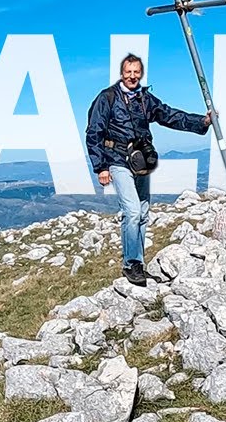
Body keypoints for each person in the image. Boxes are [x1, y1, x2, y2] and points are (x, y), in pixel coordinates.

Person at [86, 53, 212, 286]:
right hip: (117, 159)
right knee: (132, 211)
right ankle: (130, 263)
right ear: (121, 73)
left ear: (140, 73)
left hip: (141, 160)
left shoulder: (145, 99)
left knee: (143, 213)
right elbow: (94, 132)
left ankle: (139, 265)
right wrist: (100, 166)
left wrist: (201, 122)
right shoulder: (107, 98)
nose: (132, 76)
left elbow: (170, 115)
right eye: (128, 72)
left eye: (136, 72)